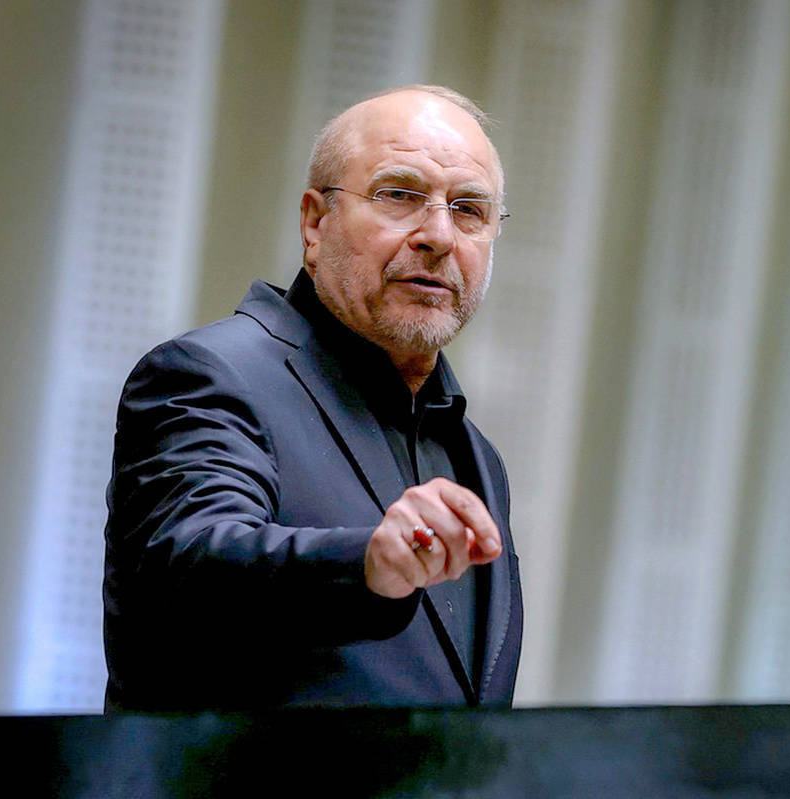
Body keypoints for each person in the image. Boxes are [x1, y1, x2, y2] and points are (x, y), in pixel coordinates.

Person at [102, 85, 522, 712]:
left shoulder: (477, 456)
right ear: (315, 223)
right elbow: (189, 567)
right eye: (399, 194)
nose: (438, 234)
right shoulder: (209, 374)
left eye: (469, 209)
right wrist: (366, 565)